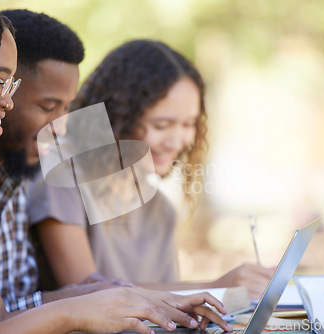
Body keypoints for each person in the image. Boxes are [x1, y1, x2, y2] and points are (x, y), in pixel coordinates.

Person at [0, 1, 234, 333]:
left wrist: (102, 297)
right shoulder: (45, 179)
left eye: (11, 87)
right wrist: (72, 310)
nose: (7, 100)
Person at [26, 39, 275, 299]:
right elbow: (87, 297)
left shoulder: (161, 210)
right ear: (118, 118)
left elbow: (169, 312)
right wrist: (216, 287)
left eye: (189, 124)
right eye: (161, 125)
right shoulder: (62, 186)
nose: (177, 141)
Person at [0, 9, 124, 312]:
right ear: (3, 91)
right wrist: (77, 301)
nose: (61, 127)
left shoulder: (17, 174)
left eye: (67, 108)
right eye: (48, 106)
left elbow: (9, 307)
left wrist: (92, 294)